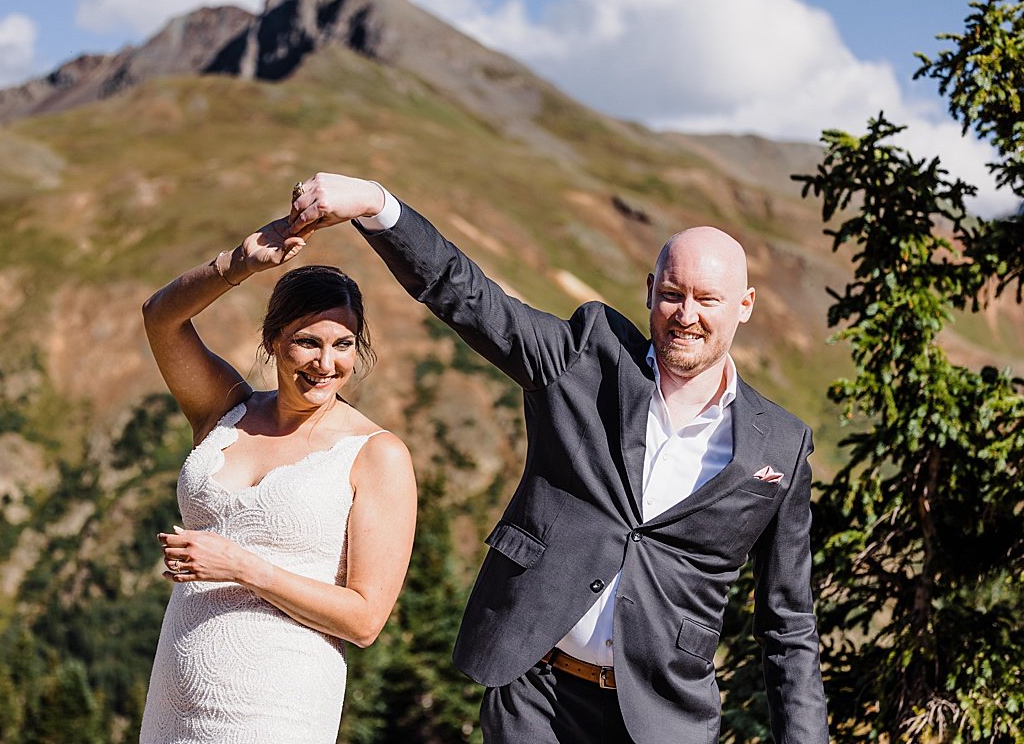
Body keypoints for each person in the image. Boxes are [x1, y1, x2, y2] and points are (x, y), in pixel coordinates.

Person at [290, 173, 826, 744]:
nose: (685, 314)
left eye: (707, 299)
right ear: (650, 290)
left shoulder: (779, 447)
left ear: (744, 306)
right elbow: (465, 295)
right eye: (672, 293)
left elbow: (788, 624)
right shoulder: (585, 355)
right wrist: (376, 204)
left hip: (664, 715)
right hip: (535, 693)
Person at [137, 216, 418, 743]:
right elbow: (160, 317)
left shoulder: (376, 455)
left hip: (279, 708)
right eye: (307, 342)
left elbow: (364, 620)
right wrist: (238, 263)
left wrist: (241, 566)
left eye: (344, 344)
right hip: (172, 705)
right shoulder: (224, 410)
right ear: (272, 341)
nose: (326, 363)